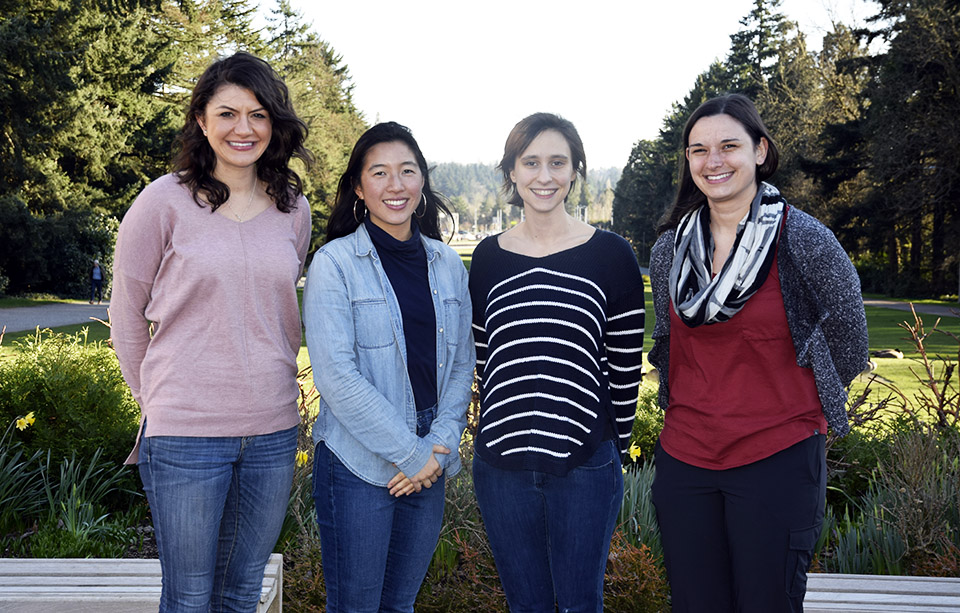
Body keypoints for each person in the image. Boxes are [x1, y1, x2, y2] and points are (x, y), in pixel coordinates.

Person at [647, 93, 869, 612]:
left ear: (760, 151)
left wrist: (799, 400)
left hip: (778, 457)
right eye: (699, 149)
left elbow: (851, 342)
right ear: (688, 162)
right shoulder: (668, 252)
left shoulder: (804, 239)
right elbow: (667, 343)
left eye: (729, 146)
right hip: (687, 460)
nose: (713, 160)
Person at [111, 52, 312, 613]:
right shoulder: (162, 202)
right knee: (190, 596)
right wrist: (160, 403)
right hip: (186, 436)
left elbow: (271, 306)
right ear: (201, 120)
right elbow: (126, 315)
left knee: (243, 591)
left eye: (258, 114)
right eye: (227, 113)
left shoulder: (292, 211)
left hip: (272, 433)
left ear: (275, 125)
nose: (242, 129)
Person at [468, 113, 645, 612]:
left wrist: (616, 450)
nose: (544, 176)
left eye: (557, 162)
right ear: (512, 173)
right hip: (501, 465)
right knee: (526, 606)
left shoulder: (612, 256)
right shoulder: (487, 259)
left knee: (579, 604)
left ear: (575, 171)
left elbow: (624, 366)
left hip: (586, 463)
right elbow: (487, 362)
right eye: (531, 163)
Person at [302, 121, 474, 612]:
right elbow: (335, 375)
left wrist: (436, 450)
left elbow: (462, 363)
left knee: (400, 605)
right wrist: (410, 453)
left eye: (407, 171)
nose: (395, 185)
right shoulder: (334, 264)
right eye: (379, 173)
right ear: (359, 187)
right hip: (358, 460)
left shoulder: (446, 263)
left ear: (422, 182)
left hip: (429, 452)